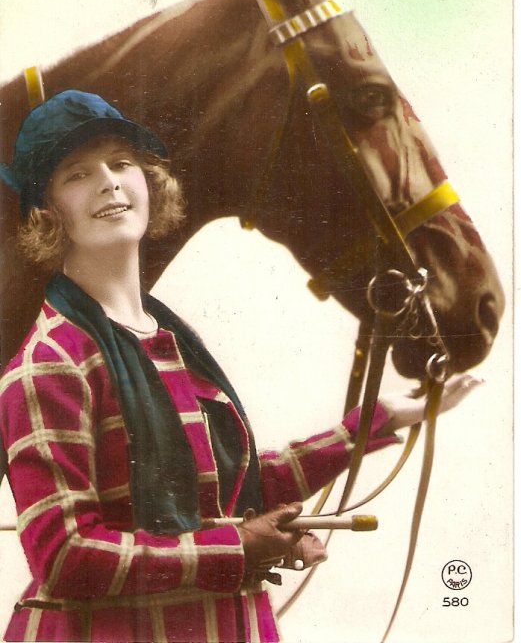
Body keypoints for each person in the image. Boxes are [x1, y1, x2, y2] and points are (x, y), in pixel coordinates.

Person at [0, 91, 480, 643]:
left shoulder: (172, 342)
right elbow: (64, 557)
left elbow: (234, 491)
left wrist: (378, 421)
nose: (109, 181)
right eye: (77, 174)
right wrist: (240, 547)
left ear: (150, 183)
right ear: (45, 212)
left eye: (122, 162)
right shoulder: (50, 363)